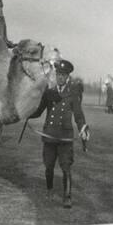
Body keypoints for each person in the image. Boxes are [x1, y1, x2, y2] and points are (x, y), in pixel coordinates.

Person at [28, 60, 89, 208]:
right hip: (49, 136)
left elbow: (79, 115)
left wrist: (83, 128)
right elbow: (39, 111)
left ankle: (67, 197)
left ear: (67, 76)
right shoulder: (49, 93)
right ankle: (49, 190)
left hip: (65, 138)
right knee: (48, 166)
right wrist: (26, 112)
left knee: (66, 167)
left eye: (63, 75)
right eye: (58, 74)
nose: (60, 77)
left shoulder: (73, 93)